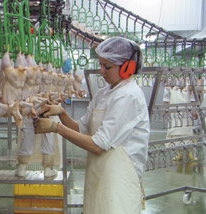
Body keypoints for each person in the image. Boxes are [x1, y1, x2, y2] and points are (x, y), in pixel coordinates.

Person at [33, 37, 150, 214]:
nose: (101, 71)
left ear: (128, 67)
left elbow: (98, 145)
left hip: (119, 181)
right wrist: (61, 113)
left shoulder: (129, 96)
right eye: (101, 64)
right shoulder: (104, 94)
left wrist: (56, 128)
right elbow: (81, 129)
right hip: (100, 176)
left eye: (107, 66)